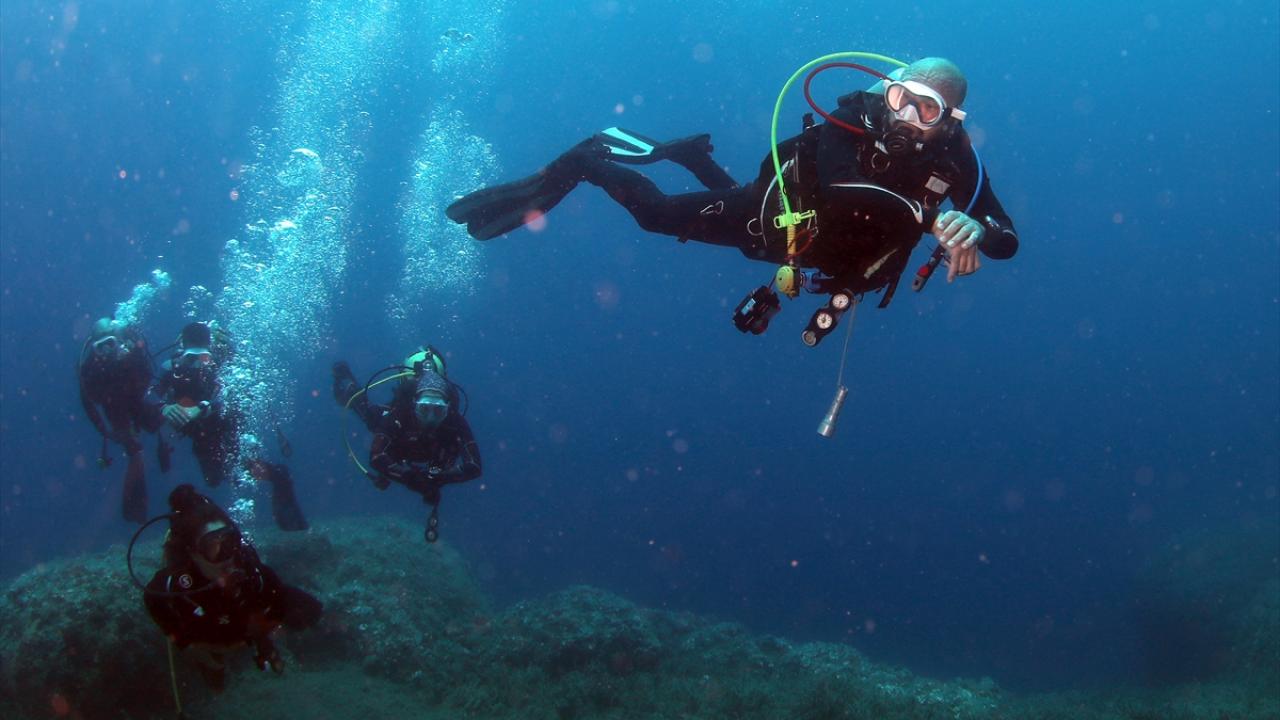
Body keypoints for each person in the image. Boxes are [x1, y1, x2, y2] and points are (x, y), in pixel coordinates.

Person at [447, 57, 1018, 339]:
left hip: (816, 259)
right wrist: (933, 216)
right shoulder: (851, 119)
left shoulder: (955, 160)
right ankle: (588, 161)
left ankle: (691, 152)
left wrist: (978, 230)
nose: (905, 116)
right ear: (886, 91)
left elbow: (1007, 240)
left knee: (732, 222)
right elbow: (844, 195)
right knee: (654, 216)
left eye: (927, 109)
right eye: (900, 96)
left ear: (950, 121)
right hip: (769, 218)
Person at [143, 484, 322, 690]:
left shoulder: (248, 568)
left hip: (241, 625)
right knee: (215, 682)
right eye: (213, 547)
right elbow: (152, 598)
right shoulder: (181, 582)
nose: (227, 556)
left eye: (230, 542)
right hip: (207, 630)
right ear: (193, 553)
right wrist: (186, 643)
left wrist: (265, 635)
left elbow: (276, 592)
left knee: (309, 610)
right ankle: (213, 664)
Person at [147, 321, 309, 530]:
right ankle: (269, 481)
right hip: (200, 434)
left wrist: (204, 407)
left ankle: (281, 484)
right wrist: (163, 408)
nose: (197, 364)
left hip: (227, 426)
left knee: (243, 470)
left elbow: (234, 393)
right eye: (191, 357)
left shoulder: (223, 362)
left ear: (210, 351)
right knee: (213, 479)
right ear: (182, 351)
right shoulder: (172, 367)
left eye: (203, 357)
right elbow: (150, 394)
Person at [332, 346, 482, 542]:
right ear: (414, 405)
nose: (430, 419)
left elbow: (475, 466)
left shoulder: (454, 421)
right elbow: (376, 456)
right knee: (371, 416)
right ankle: (351, 387)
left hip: (433, 456)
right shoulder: (400, 413)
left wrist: (438, 479)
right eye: (424, 409)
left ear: (448, 410)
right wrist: (410, 478)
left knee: (439, 459)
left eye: (438, 411)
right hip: (401, 444)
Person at [78, 317, 166, 522]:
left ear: (119, 341)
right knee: (134, 450)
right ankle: (135, 509)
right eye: (101, 347)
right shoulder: (89, 365)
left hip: (136, 398)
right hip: (113, 405)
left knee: (160, 422)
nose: (107, 351)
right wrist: (104, 431)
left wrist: (131, 357)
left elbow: (148, 376)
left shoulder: (132, 353)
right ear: (93, 348)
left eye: (111, 344)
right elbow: (88, 402)